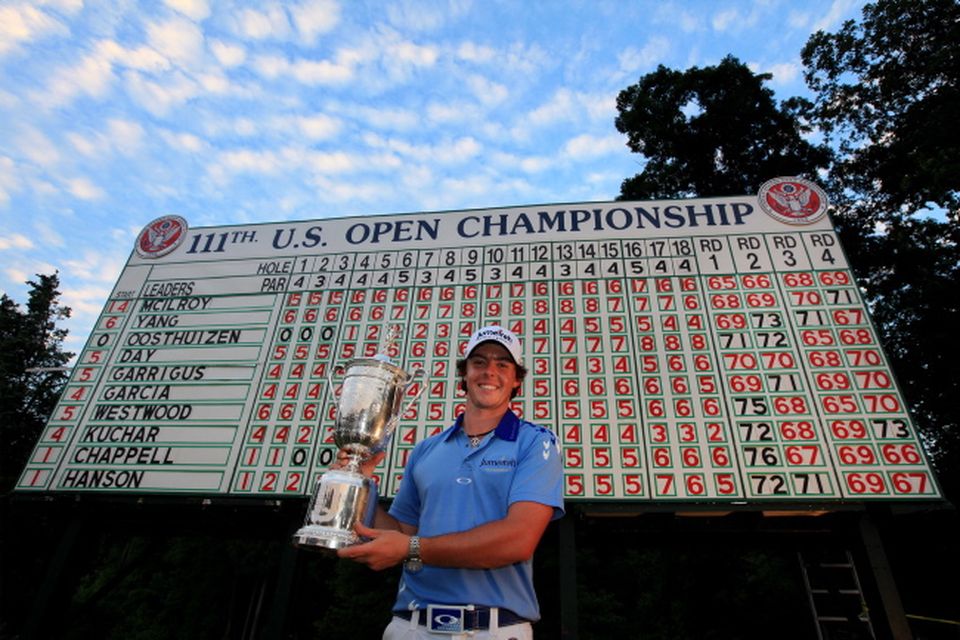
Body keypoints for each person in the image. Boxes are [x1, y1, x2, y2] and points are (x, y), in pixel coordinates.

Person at [336, 325, 565, 639]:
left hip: (493, 629)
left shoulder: (536, 443)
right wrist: (359, 481)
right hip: (410, 626)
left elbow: (518, 539)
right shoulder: (426, 449)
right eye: (479, 362)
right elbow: (400, 534)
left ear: (516, 380)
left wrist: (412, 548)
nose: (489, 372)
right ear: (465, 374)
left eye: (502, 364)